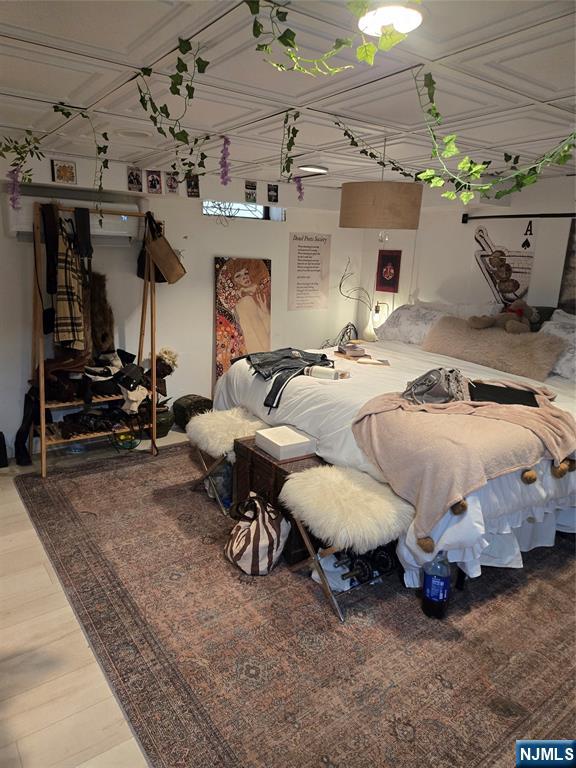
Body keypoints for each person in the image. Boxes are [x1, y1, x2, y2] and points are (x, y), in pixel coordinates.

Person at [218, 258, 271, 356]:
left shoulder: (253, 298)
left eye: (246, 273)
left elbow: (266, 327)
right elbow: (259, 331)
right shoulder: (246, 301)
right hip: (259, 349)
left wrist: (264, 310)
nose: (245, 277)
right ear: (232, 281)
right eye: (238, 275)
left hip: (257, 351)